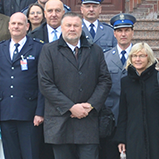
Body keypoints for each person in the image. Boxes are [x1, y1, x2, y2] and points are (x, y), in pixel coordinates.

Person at [37, 12, 112, 159]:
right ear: (61, 27)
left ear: (81, 27)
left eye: (76, 25)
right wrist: (71, 107)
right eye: (68, 25)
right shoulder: (49, 50)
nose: (72, 29)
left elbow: (105, 80)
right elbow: (45, 84)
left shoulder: (95, 50)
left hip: (87, 120)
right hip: (60, 121)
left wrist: (90, 105)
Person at [0, 13, 44, 159]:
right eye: (13, 23)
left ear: (27, 27)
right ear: (8, 26)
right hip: (7, 111)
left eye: (20, 24)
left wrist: (40, 112)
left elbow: (42, 82)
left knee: (30, 154)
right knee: (11, 155)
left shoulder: (38, 48)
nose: (16, 26)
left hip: (29, 113)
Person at [116, 43, 159, 159]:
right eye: (134, 56)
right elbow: (123, 113)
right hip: (134, 138)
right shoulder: (126, 82)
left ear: (148, 57)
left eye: (141, 56)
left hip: (158, 138)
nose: (137, 59)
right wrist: (121, 139)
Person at [100, 13, 136, 159]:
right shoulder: (105, 57)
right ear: (114, 33)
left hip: (135, 116)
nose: (123, 34)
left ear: (132, 32)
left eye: (127, 30)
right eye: (120, 31)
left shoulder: (141, 55)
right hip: (112, 117)